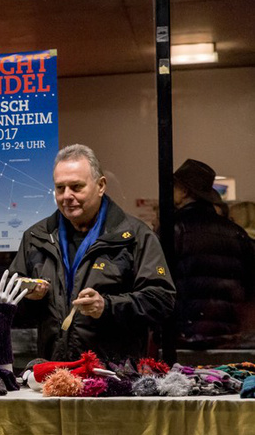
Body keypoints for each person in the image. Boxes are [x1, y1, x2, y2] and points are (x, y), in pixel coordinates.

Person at [10, 144, 175, 361]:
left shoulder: (135, 237)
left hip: (113, 380)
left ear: (100, 185)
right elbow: (7, 306)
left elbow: (161, 300)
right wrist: (27, 297)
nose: (66, 196)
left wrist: (107, 306)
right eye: (60, 188)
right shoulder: (36, 238)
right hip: (53, 376)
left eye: (76, 187)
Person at [171, 159, 255, 348]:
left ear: (184, 191)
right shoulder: (236, 232)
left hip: (184, 336)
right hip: (229, 338)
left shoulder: (174, 228)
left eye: (174, 186)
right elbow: (249, 287)